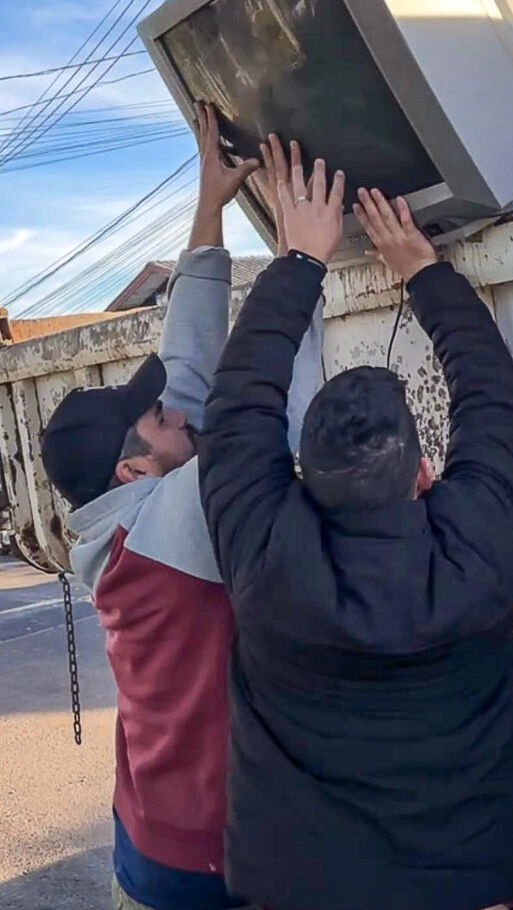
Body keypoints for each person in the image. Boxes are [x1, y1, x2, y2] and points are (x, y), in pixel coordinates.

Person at [199, 141, 513, 910]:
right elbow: (498, 405)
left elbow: (234, 414)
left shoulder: (268, 557)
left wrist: (298, 263)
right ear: (423, 474)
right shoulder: (470, 558)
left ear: (301, 480)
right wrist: (418, 268)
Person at [41, 108, 323, 910]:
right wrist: (300, 257)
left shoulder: (123, 516)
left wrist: (211, 208)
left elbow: (191, 369)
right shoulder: (172, 528)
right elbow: (269, 413)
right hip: (209, 859)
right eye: (154, 414)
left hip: (150, 832)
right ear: (134, 465)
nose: (173, 409)